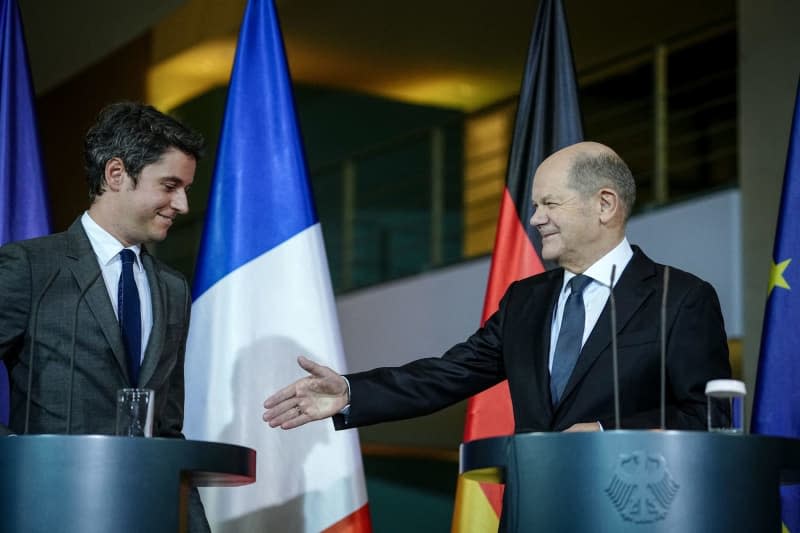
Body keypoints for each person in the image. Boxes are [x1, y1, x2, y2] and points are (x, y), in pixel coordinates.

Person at [262, 141, 731, 435]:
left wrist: (609, 432)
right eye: (534, 204)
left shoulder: (681, 298)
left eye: (550, 203)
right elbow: (446, 375)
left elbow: (710, 416)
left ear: (604, 204)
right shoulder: (526, 301)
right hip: (533, 510)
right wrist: (350, 391)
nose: (535, 218)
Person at [0, 102, 210, 532]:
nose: (183, 204)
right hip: (45, 512)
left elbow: (168, 430)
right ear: (116, 174)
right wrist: (18, 458)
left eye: (185, 188)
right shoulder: (30, 267)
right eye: (170, 185)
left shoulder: (173, 288)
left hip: (145, 516)